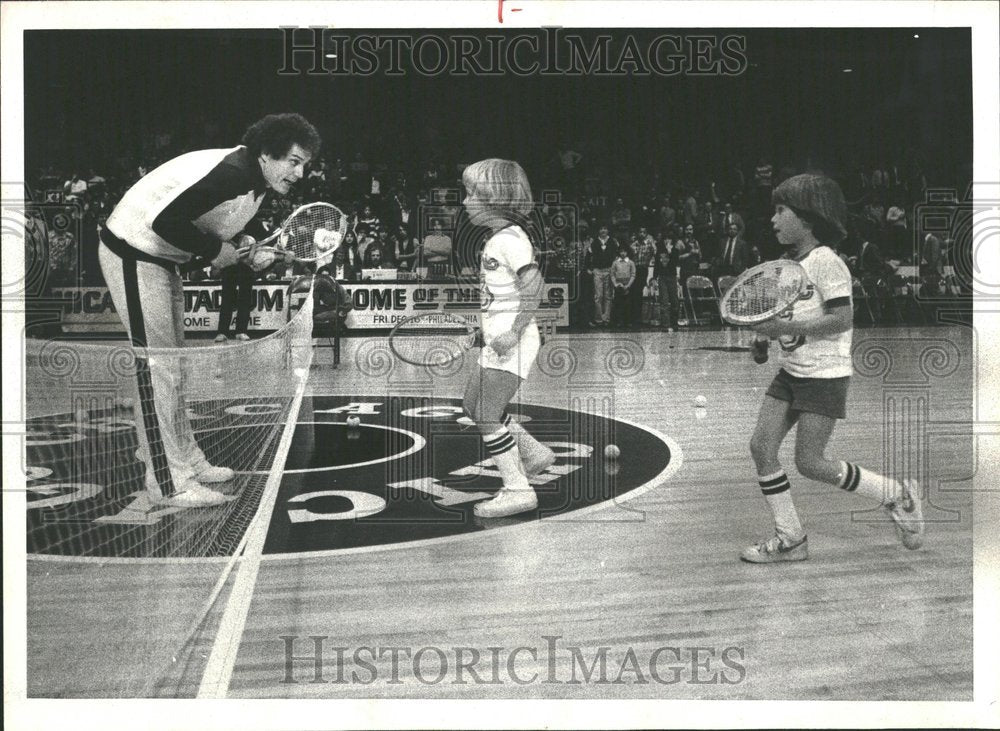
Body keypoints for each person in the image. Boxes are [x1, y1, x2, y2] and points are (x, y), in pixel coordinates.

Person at [98, 112, 321, 508]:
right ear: (267, 154)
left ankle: (189, 463)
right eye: (294, 161)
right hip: (132, 251)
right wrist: (217, 252)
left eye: (304, 164)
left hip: (163, 260)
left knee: (173, 366)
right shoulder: (232, 172)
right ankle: (168, 484)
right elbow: (165, 219)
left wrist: (245, 248)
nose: (300, 173)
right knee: (156, 369)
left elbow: (213, 226)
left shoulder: (257, 181)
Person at [741, 174, 924, 563]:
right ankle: (791, 538)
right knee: (761, 447)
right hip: (792, 371)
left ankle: (895, 495)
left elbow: (842, 318)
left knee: (810, 462)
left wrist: (784, 329)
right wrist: (763, 340)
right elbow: (786, 318)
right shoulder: (788, 267)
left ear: (807, 218)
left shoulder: (827, 262)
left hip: (825, 376)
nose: (772, 219)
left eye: (780, 210)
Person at [461, 158, 555, 519]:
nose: (465, 201)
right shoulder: (498, 240)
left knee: (485, 413)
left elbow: (535, 286)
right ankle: (532, 453)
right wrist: (480, 334)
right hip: (498, 341)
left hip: (513, 342)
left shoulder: (511, 240)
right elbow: (502, 299)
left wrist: (513, 332)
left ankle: (518, 489)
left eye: (471, 194)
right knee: (473, 406)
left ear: (494, 199)